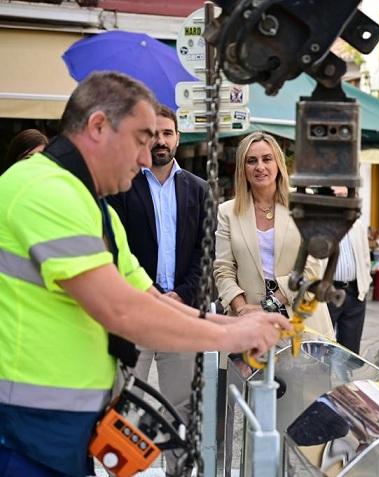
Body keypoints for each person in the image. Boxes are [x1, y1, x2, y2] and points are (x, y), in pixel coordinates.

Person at [0, 72, 289, 477]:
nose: (145, 156)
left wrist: (239, 320)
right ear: (99, 126)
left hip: (57, 427)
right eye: (140, 139)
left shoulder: (90, 204)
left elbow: (146, 297)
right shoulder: (45, 191)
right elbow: (121, 311)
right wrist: (231, 335)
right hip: (22, 426)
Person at [106, 105, 207, 476]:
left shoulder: (200, 190)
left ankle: (176, 473)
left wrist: (182, 294)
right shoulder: (122, 188)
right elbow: (114, 249)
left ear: (178, 138)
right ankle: (123, 470)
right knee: (123, 402)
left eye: (168, 133)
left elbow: (205, 253)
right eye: (155, 134)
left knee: (179, 406)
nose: (161, 141)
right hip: (135, 314)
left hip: (179, 315)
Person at [214, 132, 334, 337]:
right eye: (251, 161)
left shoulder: (304, 205)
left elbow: (312, 268)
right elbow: (223, 270)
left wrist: (269, 304)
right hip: (249, 324)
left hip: (301, 318)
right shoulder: (227, 212)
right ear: (243, 169)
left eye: (267, 159)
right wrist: (242, 309)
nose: (260, 167)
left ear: (278, 163)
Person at [327, 188, 372, 353]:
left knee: (350, 351)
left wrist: (365, 285)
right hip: (328, 293)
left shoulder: (357, 225)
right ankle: (323, 379)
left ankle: (346, 379)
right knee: (322, 347)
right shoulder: (317, 225)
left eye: (345, 196)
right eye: (336, 196)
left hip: (354, 292)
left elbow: (366, 258)